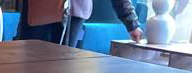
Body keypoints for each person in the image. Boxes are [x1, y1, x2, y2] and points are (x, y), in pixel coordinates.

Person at [15, 0, 144, 47]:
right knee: (30, 63)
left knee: (63, 66)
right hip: (39, 11)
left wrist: (131, 23)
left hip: (74, 11)